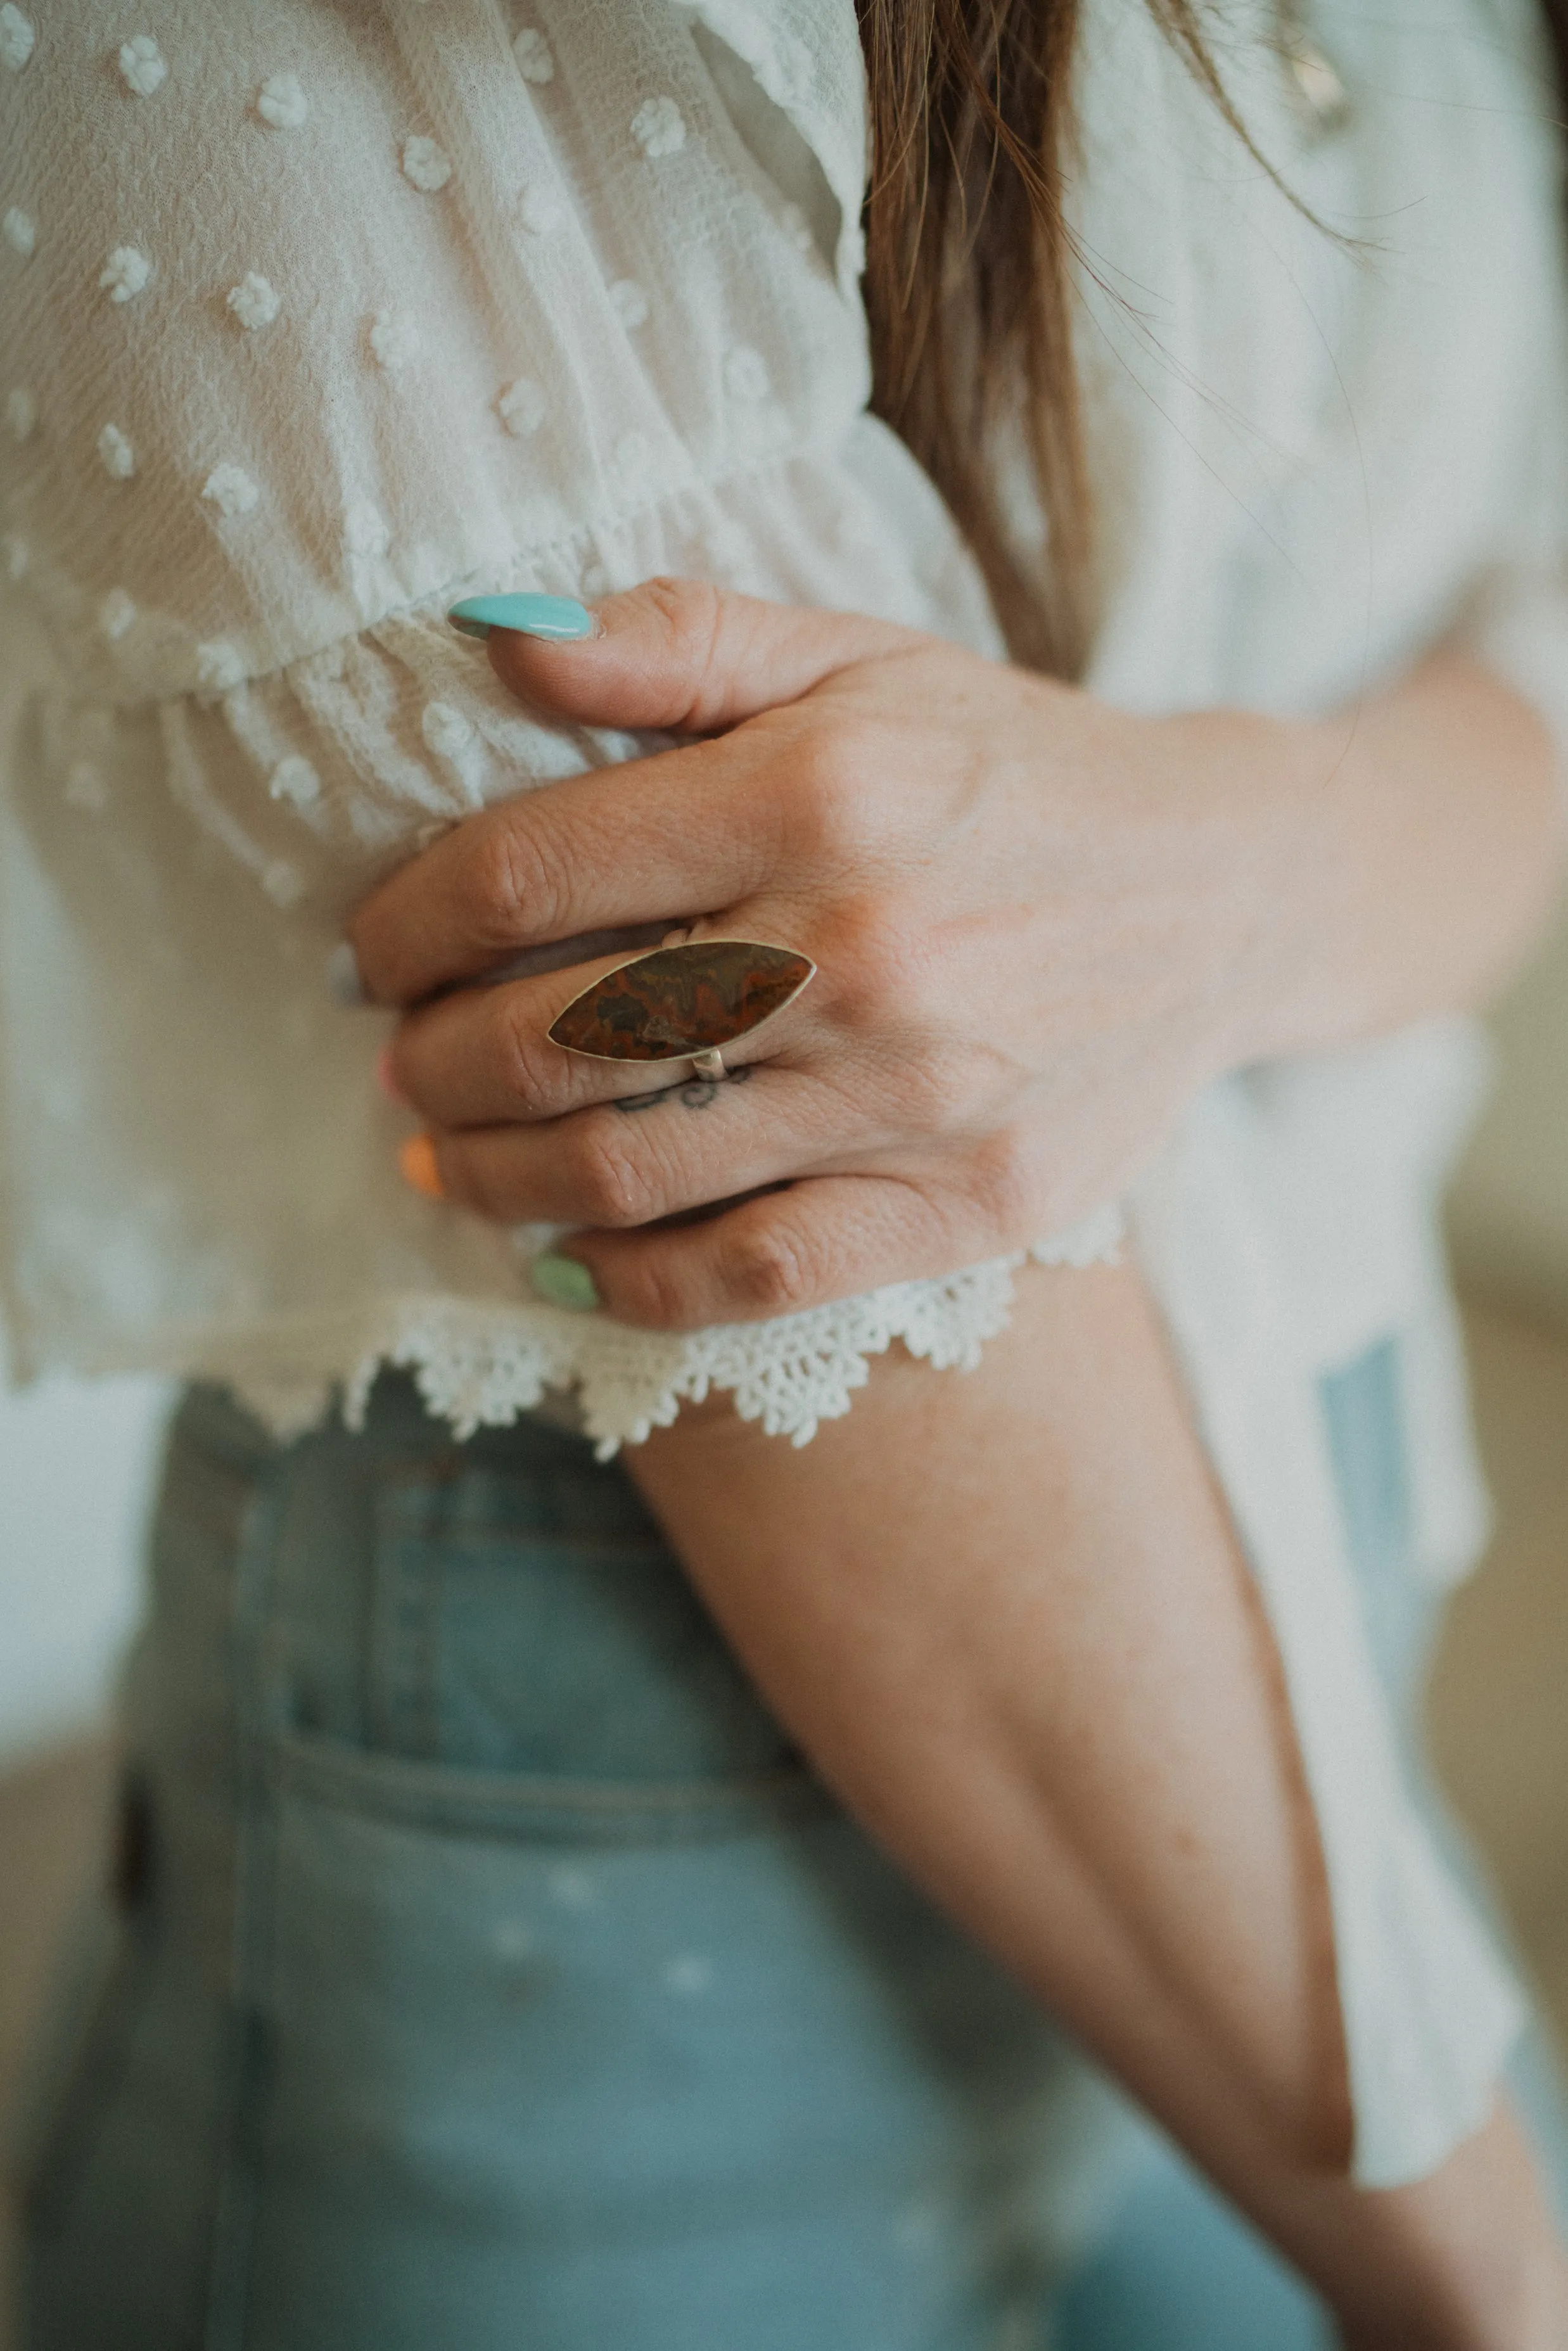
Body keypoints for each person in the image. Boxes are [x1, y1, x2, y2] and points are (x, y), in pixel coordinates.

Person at [3, 1, 1568, 2343]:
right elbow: (826, 1215)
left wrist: (1232, 876)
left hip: (1300, 1711)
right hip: (615, 1963)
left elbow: (1531, 661)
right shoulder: (277, 72)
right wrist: (1483, 2266)